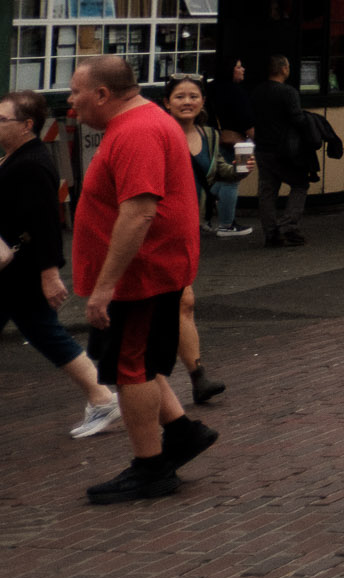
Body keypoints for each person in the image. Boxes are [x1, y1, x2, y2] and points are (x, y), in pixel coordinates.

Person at [67, 56, 218, 503]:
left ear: (102, 95)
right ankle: (181, 432)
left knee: (132, 369)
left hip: (143, 274)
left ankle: (150, 469)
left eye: (76, 92)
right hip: (147, 272)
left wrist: (105, 285)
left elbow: (139, 211)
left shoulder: (136, 131)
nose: (71, 101)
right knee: (138, 361)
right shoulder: (143, 122)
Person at [0, 89, 123, 439]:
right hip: (14, 270)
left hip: (19, 271)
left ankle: (102, 397)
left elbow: (45, 223)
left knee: (45, 332)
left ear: (26, 125)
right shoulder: (14, 157)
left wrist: (50, 273)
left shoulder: (32, 163)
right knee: (43, 331)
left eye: (2, 119)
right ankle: (101, 397)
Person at [159, 77, 230, 404]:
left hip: (189, 230)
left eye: (194, 96)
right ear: (167, 101)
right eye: (180, 96)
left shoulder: (210, 135)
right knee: (182, 301)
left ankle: (187, 376)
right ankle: (191, 376)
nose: (187, 101)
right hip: (159, 229)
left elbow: (215, 172)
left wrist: (241, 170)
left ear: (203, 101)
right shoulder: (158, 133)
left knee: (178, 303)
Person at [248, 55, 315, 248]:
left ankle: (270, 232)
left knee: (267, 190)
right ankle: (288, 225)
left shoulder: (257, 92)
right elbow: (298, 119)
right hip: (284, 148)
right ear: (284, 69)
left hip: (262, 147)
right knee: (300, 184)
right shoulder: (289, 92)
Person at [206, 57, 252, 234]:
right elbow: (248, 122)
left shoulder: (209, 88)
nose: (243, 70)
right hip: (239, 142)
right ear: (230, 70)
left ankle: (206, 217)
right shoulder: (236, 91)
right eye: (239, 67)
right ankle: (227, 224)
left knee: (216, 180)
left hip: (214, 140)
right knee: (233, 180)